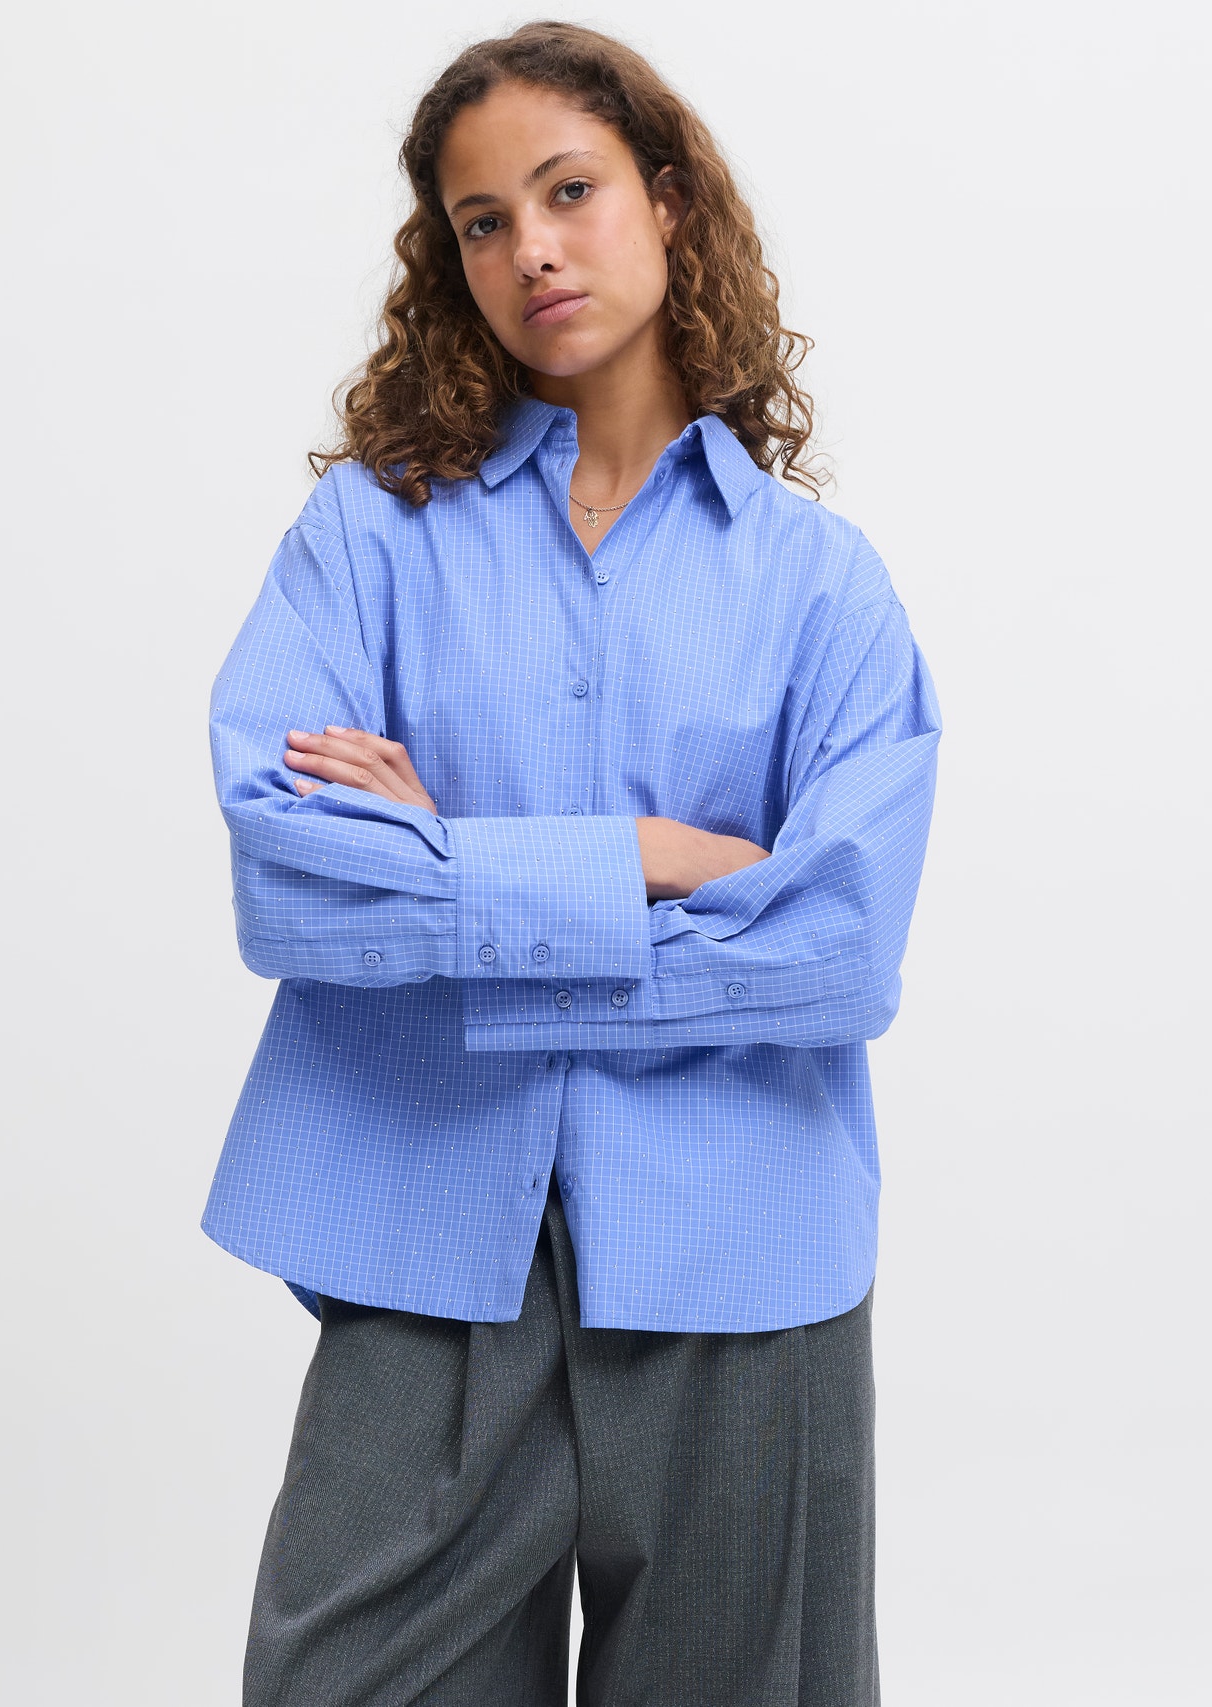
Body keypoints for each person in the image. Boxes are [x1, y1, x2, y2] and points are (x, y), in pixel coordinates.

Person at [204, 20, 940, 1705]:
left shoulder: (819, 585)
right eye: (482, 221)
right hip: (422, 1237)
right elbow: (293, 879)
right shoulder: (367, 538)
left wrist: (449, 874)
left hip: (745, 1260)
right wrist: (656, 860)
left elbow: (839, 950)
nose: (529, 247)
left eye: (569, 192)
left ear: (666, 203)